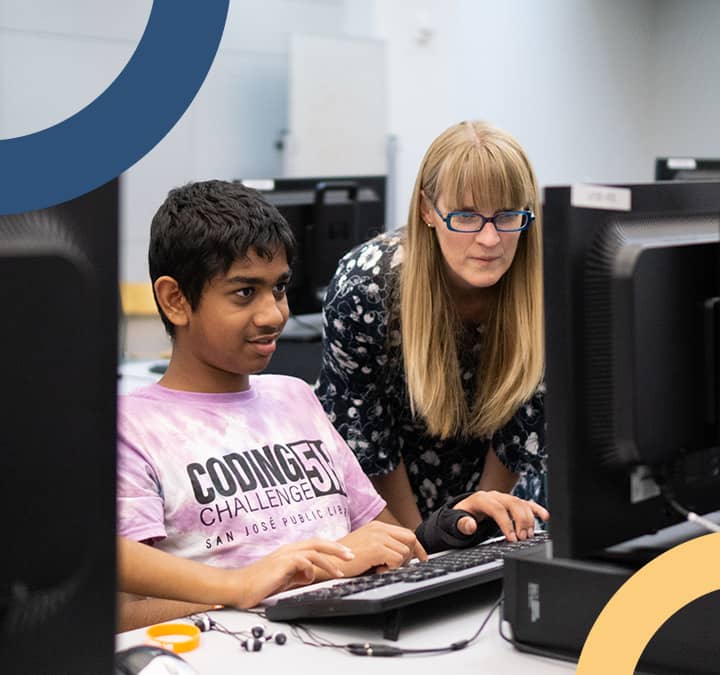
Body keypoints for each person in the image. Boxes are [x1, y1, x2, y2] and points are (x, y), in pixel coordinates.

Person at [116, 180, 424, 631]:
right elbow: (120, 616)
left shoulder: (294, 396)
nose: (274, 315)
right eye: (245, 292)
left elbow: (385, 539)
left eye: (278, 289)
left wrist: (452, 530)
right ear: (175, 300)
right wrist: (250, 585)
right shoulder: (132, 427)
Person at [315, 120, 549, 541]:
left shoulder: (546, 287)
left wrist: (475, 530)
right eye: (466, 216)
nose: (491, 239)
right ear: (428, 211)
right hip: (391, 501)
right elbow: (369, 444)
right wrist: (425, 542)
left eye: (507, 216)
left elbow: (521, 436)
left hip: (508, 501)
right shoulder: (366, 287)